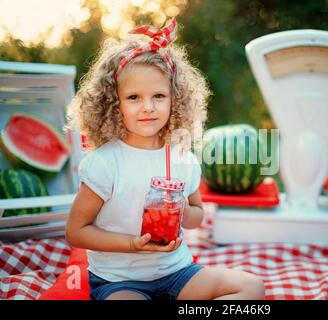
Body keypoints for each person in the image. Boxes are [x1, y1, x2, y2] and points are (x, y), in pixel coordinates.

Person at [65, 18, 265, 300]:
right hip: (120, 281)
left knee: (251, 288)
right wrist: (134, 244)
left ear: (175, 99)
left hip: (177, 274)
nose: (148, 107)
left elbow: (196, 218)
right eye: (134, 97)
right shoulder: (106, 162)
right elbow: (76, 232)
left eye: (159, 95)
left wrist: (181, 206)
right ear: (113, 102)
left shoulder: (182, 159)